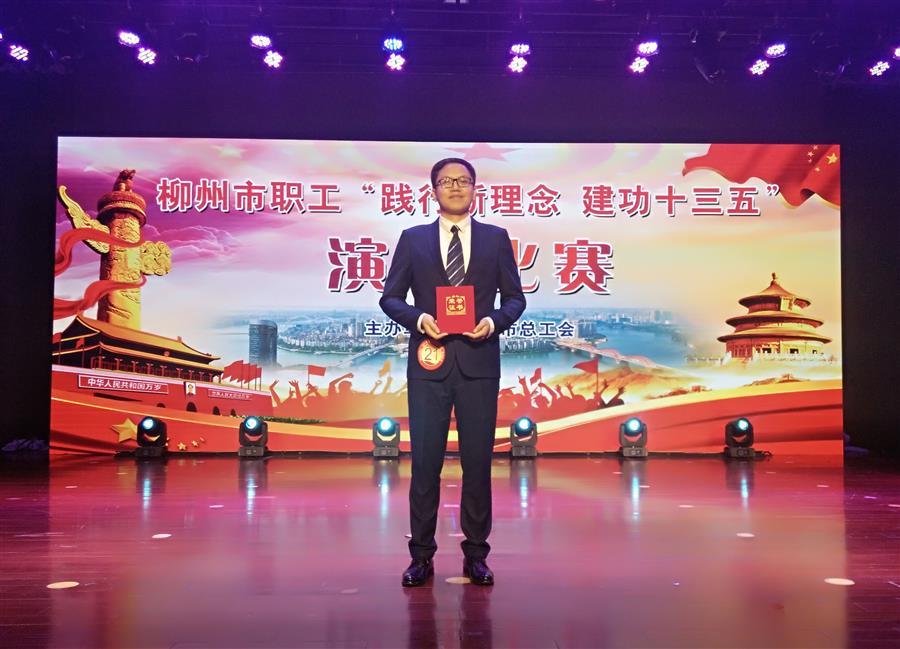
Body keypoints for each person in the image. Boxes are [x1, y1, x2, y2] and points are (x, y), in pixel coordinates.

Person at [379, 157, 526, 587]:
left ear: (476, 189)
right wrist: (420, 318)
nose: (456, 187)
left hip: (479, 365)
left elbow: (515, 299)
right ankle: (420, 556)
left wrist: (493, 322)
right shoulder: (413, 239)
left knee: (477, 465)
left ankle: (476, 554)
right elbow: (391, 298)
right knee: (425, 465)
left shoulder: (496, 238)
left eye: (463, 181)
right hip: (429, 364)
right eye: (447, 181)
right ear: (434, 191)